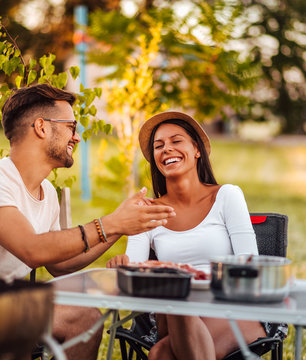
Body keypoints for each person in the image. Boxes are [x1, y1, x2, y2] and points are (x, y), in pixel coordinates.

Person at [0, 84, 176, 360]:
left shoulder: (46, 192)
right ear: (41, 127)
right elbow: (33, 250)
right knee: (74, 317)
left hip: (0, 307)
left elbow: (59, 264)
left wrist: (120, 226)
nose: (77, 137)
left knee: (85, 316)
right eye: (71, 126)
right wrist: (109, 223)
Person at [106, 111, 267, 360]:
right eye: (158, 146)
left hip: (230, 309)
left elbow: (250, 266)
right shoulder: (147, 211)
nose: (166, 149)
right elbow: (136, 274)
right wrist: (123, 266)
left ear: (197, 150)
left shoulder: (227, 196)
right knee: (175, 294)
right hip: (170, 311)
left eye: (176, 141)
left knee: (161, 353)